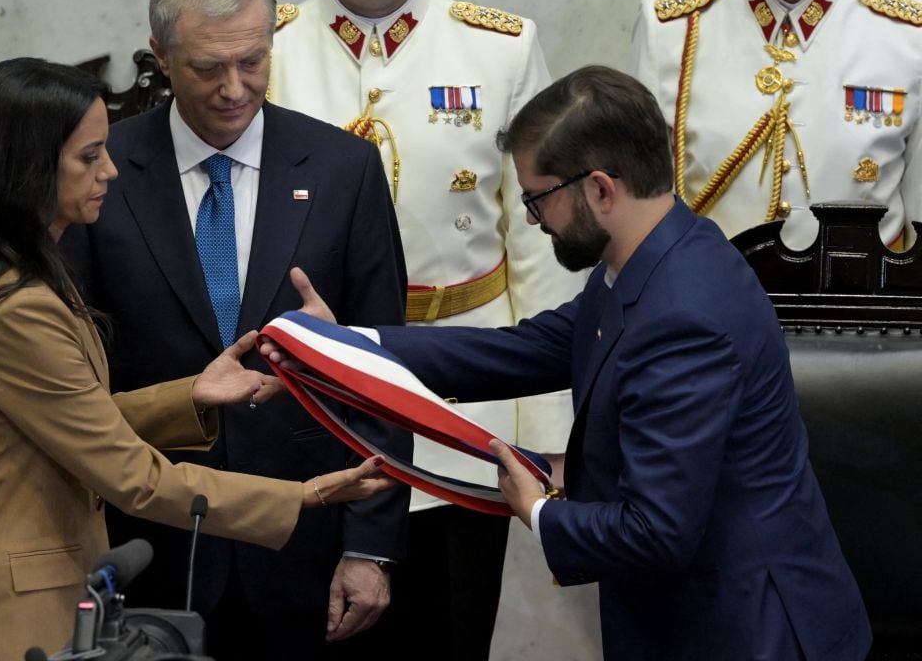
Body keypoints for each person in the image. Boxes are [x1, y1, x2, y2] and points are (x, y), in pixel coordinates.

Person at [268, 65, 873, 659]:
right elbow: (529, 349)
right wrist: (347, 344)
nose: (531, 219)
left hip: (745, 627)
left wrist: (536, 509)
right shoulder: (656, 254)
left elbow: (655, 533)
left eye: (538, 199)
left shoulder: (685, 315)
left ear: (601, 189)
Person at [0, 57, 394, 661]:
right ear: (27, 168)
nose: (109, 170)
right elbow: (135, 479)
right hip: (6, 608)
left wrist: (189, 396)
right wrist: (303, 496)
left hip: (38, 590)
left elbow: (73, 421)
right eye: (88, 157)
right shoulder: (19, 306)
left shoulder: (26, 280)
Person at [267, 0, 586, 656]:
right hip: (309, 392)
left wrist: (550, 427)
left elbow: (539, 244)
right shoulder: (265, 51)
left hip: (461, 400)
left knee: (449, 629)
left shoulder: (501, 49)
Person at [62, 0, 410, 661]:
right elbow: (77, 379)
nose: (233, 88)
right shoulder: (101, 173)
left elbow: (386, 376)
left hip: (306, 544)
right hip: (148, 544)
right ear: (160, 54)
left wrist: (371, 549)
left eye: (253, 61)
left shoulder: (344, 171)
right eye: (206, 67)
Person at [632, 0, 921, 250]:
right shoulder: (671, 29)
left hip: (855, 303)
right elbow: (638, 214)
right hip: (710, 302)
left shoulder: (907, 34)